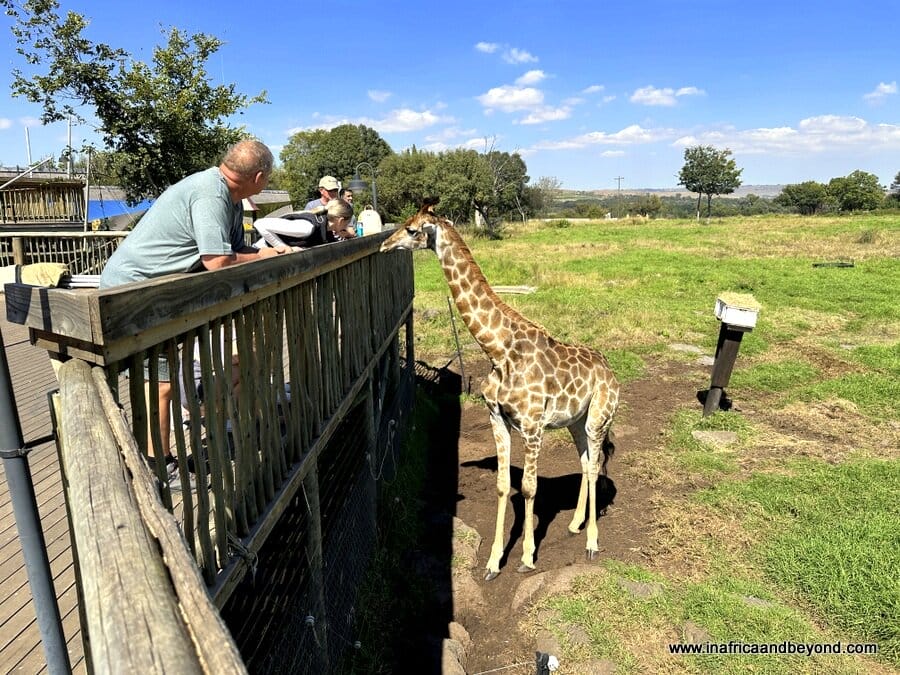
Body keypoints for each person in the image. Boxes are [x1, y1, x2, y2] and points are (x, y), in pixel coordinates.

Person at [100, 139, 293, 482]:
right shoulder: (209, 193)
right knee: (157, 382)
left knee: (170, 376)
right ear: (259, 177)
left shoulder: (230, 198)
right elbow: (217, 260)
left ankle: (171, 450)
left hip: (161, 293)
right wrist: (263, 257)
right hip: (135, 293)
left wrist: (269, 252)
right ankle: (157, 466)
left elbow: (233, 249)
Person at [253, 199, 356, 250]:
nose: (346, 227)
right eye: (347, 223)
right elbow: (260, 224)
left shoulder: (325, 229)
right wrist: (287, 249)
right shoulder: (307, 227)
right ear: (341, 220)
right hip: (260, 252)